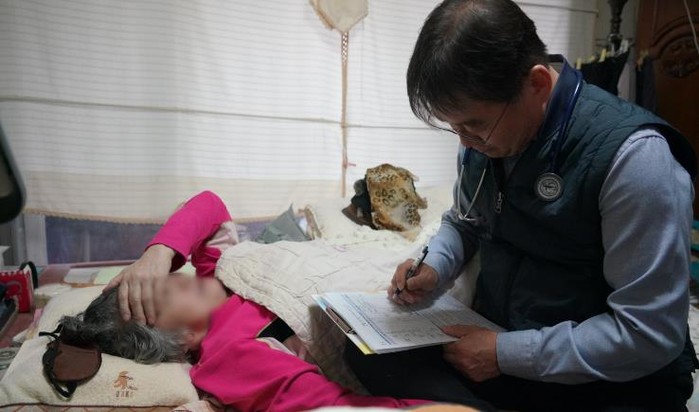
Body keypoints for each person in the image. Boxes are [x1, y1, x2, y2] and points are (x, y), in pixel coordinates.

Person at [344, 0, 699, 411]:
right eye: (454, 127)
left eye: (474, 125)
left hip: (606, 377)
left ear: (537, 85)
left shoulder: (636, 159)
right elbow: (466, 221)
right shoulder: (483, 142)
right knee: (365, 348)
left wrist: (506, 354)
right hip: (502, 346)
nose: (465, 141)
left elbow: (647, 333)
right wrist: (435, 264)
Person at [63, 191, 427, 411]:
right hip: (408, 319)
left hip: (404, 268)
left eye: (161, 278)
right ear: (179, 337)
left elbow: (210, 205)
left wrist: (157, 253)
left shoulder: (216, 274)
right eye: (164, 294)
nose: (174, 277)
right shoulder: (230, 359)